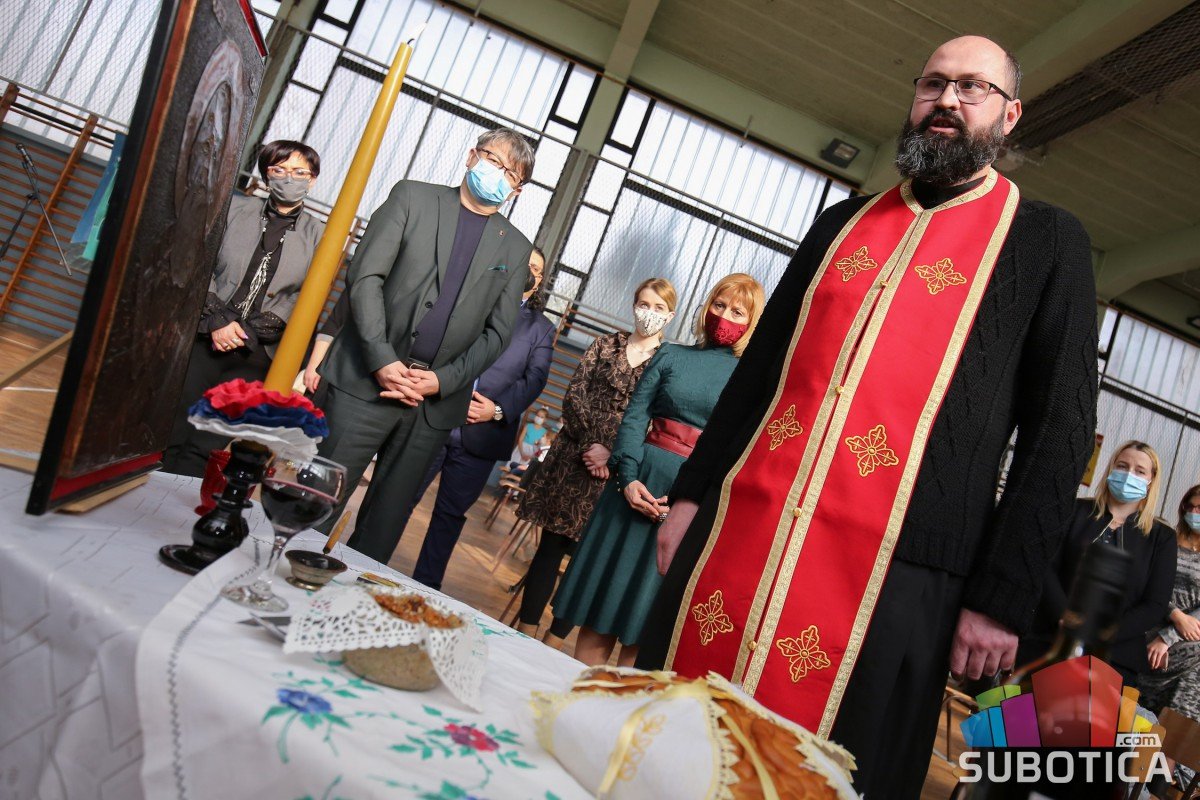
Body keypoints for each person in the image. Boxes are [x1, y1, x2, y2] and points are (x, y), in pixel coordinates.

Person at [637, 36, 1099, 799]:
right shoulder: (840, 224)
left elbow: (1061, 432)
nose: (947, 100)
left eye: (973, 88)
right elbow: (759, 373)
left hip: (903, 572)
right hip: (747, 530)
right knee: (676, 743)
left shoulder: (1046, 242)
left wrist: (1002, 596)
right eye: (934, 84)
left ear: (1010, 115)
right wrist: (691, 495)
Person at [315, 129, 536, 563]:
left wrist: (442, 381)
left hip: (432, 405)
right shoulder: (412, 197)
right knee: (319, 499)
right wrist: (382, 358)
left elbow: (497, 333)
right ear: (471, 156)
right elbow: (365, 277)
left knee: (383, 526)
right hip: (365, 380)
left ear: (517, 189)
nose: (498, 174)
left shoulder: (515, 246)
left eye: (511, 173)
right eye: (493, 160)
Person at [552, 274, 764, 667]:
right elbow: (636, 416)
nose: (725, 316)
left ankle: (621, 704)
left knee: (645, 621)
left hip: (688, 504)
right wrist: (628, 478)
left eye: (738, 312)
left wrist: (694, 500)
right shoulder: (671, 356)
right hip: (634, 484)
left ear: (753, 322)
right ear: (706, 307)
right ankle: (579, 691)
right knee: (599, 606)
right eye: (719, 305)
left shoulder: (753, 381)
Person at [514, 277, 678, 645]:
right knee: (550, 548)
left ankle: (554, 641)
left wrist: (612, 453)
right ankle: (524, 632)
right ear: (634, 305)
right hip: (573, 460)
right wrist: (592, 445)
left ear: (670, 315)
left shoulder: (668, 362)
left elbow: (655, 420)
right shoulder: (605, 345)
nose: (649, 313)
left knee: (587, 558)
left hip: (618, 473)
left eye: (658, 308)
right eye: (644, 304)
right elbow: (575, 395)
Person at [387, 248, 555, 590]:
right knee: (401, 498)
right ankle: (371, 560)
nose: (529, 271)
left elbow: (535, 379)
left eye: (536, 269)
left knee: (449, 517)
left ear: (539, 282)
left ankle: (424, 589)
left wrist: (496, 409)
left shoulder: (541, 329)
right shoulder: (475, 300)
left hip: (484, 433)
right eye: (525, 264)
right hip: (435, 415)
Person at [164, 140, 325, 476]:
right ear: (266, 175)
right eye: (279, 170)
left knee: (209, 440)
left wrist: (250, 331)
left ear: (312, 180)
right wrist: (218, 319)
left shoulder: (319, 235)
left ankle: (180, 499)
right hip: (204, 335)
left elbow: (307, 296)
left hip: (259, 352)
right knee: (171, 424)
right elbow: (200, 262)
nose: (289, 178)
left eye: (299, 172)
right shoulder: (234, 210)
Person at [1019, 441, 1176, 686]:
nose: (1129, 475)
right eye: (1122, 466)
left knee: (1083, 714)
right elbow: (1047, 567)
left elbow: (1154, 604)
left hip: (1116, 658)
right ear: (1111, 468)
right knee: (1019, 711)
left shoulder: (1162, 538)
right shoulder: (1074, 510)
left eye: (1139, 471)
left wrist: (1102, 634)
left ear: (1151, 480)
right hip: (1048, 639)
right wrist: (1065, 618)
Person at [1141, 485, 1200, 793]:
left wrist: (1170, 636)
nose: (1194, 513)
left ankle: (1162, 778)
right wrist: (1175, 616)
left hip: (1188, 645)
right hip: (1152, 631)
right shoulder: (1167, 541)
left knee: (1192, 680)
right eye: (1190, 506)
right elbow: (1147, 583)